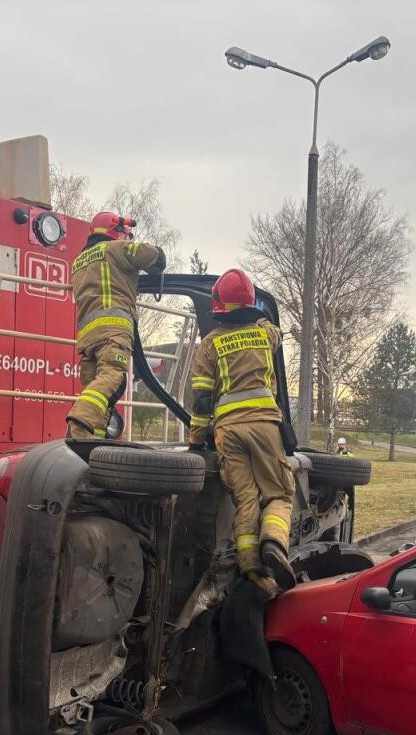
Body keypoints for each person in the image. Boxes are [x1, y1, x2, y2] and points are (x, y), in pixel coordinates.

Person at [187, 268, 295, 595]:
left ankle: (250, 566)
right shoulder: (265, 335)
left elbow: (202, 397)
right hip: (264, 425)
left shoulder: (210, 344)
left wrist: (196, 438)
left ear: (219, 309)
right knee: (279, 493)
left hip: (228, 432)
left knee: (245, 499)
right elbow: (276, 330)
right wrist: (262, 320)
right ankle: (274, 543)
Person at [65, 212, 166, 440]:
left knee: (99, 394)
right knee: (114, 378)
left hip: (88, 338)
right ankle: (80, 418)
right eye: (126, 235)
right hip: (113, 331)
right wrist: (159, 256)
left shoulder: (79, 262)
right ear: (117, 232)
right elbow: (152, 256)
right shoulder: (115, 249)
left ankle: (94, 438)